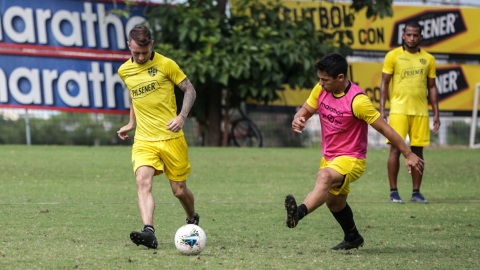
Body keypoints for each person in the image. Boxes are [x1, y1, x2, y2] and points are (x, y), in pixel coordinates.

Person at [285, 53, 425, 250]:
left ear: (340, 77)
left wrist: (408, 153)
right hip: (330, 157)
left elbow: (385, 128)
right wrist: (298, 118)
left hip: (352, 159)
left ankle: (297, 213)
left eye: (325, 80)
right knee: (334, 203)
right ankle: (353, 237)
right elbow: (306, 110)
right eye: (319, 79)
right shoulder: (320, 89)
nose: (320, 83)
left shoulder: (358, 101)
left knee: (323, 177)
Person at [117, 25, 199, 249]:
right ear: (129, 47)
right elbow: (135, 96)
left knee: (179, 191)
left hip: (171, 139)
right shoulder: (124, 71)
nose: (141, 57)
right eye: (136, 53)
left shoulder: (166, 64)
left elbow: (190, 90)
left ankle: (192, 218)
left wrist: (181, 117)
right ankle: (149, 232)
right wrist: (132, 124)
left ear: (151, 44)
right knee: (142, 181)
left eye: (144, 52)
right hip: (144, 140)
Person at [379, 21, 440, 204]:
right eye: (409, 34)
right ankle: (393, 192)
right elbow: (384, 83)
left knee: (418, 152)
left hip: (421, 112)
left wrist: (436, 113)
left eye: (415, 35)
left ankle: (416, 193)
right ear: (403, 36)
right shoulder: (393, 56)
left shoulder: (429, 59)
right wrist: (382, 110)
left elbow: (432, 87)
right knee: (395, 150)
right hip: (398, 111)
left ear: (420, 37)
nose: (412, 38)